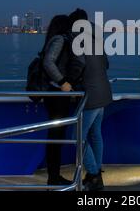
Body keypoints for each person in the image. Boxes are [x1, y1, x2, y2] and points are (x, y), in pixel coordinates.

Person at [69, 8, 113, 191]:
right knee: (95, 134)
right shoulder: (97, 41)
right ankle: (96, 171)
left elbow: (78, 65)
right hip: (104, 94)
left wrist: (68, 81)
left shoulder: (77, 41)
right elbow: (106, 64)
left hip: (90, 97)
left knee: (77, 137)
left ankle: (94, 174)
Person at [42, 15, 85, 186]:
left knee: (56, 137)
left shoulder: (53, 39)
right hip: (57, 95)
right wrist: (63, 82)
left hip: (56, 95)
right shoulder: (60, 39)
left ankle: (54, 176)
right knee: (56, 137)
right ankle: (53, 178)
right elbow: (48, 62)